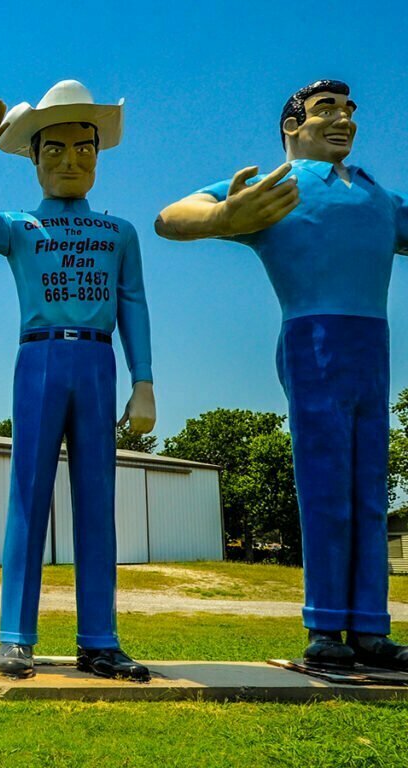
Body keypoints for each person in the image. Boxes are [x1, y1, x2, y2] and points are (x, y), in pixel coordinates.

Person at [156, 79, 408, 671]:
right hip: (312, 336)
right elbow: (171, 217)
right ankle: (325, 627)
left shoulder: (376, 196)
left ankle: (370, 627)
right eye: (326, 110)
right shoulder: (280, 188)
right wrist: (224, 213)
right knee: (324, 488)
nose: (343, 118)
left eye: (349, 109)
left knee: (370, 488)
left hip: (373, 345)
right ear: (293, 126)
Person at [0, 80, 155, 680]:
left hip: (98, 361)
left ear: (99, 155)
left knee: (97, 502)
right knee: (27, 497)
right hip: (37, 360)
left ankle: (100, 639)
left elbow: (132, 304)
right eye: (52, 149)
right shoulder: (18, 227)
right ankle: (14, 637)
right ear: (32, 158)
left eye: (83, 148)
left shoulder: (119, 233)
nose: (69, 160)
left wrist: (145, 381)